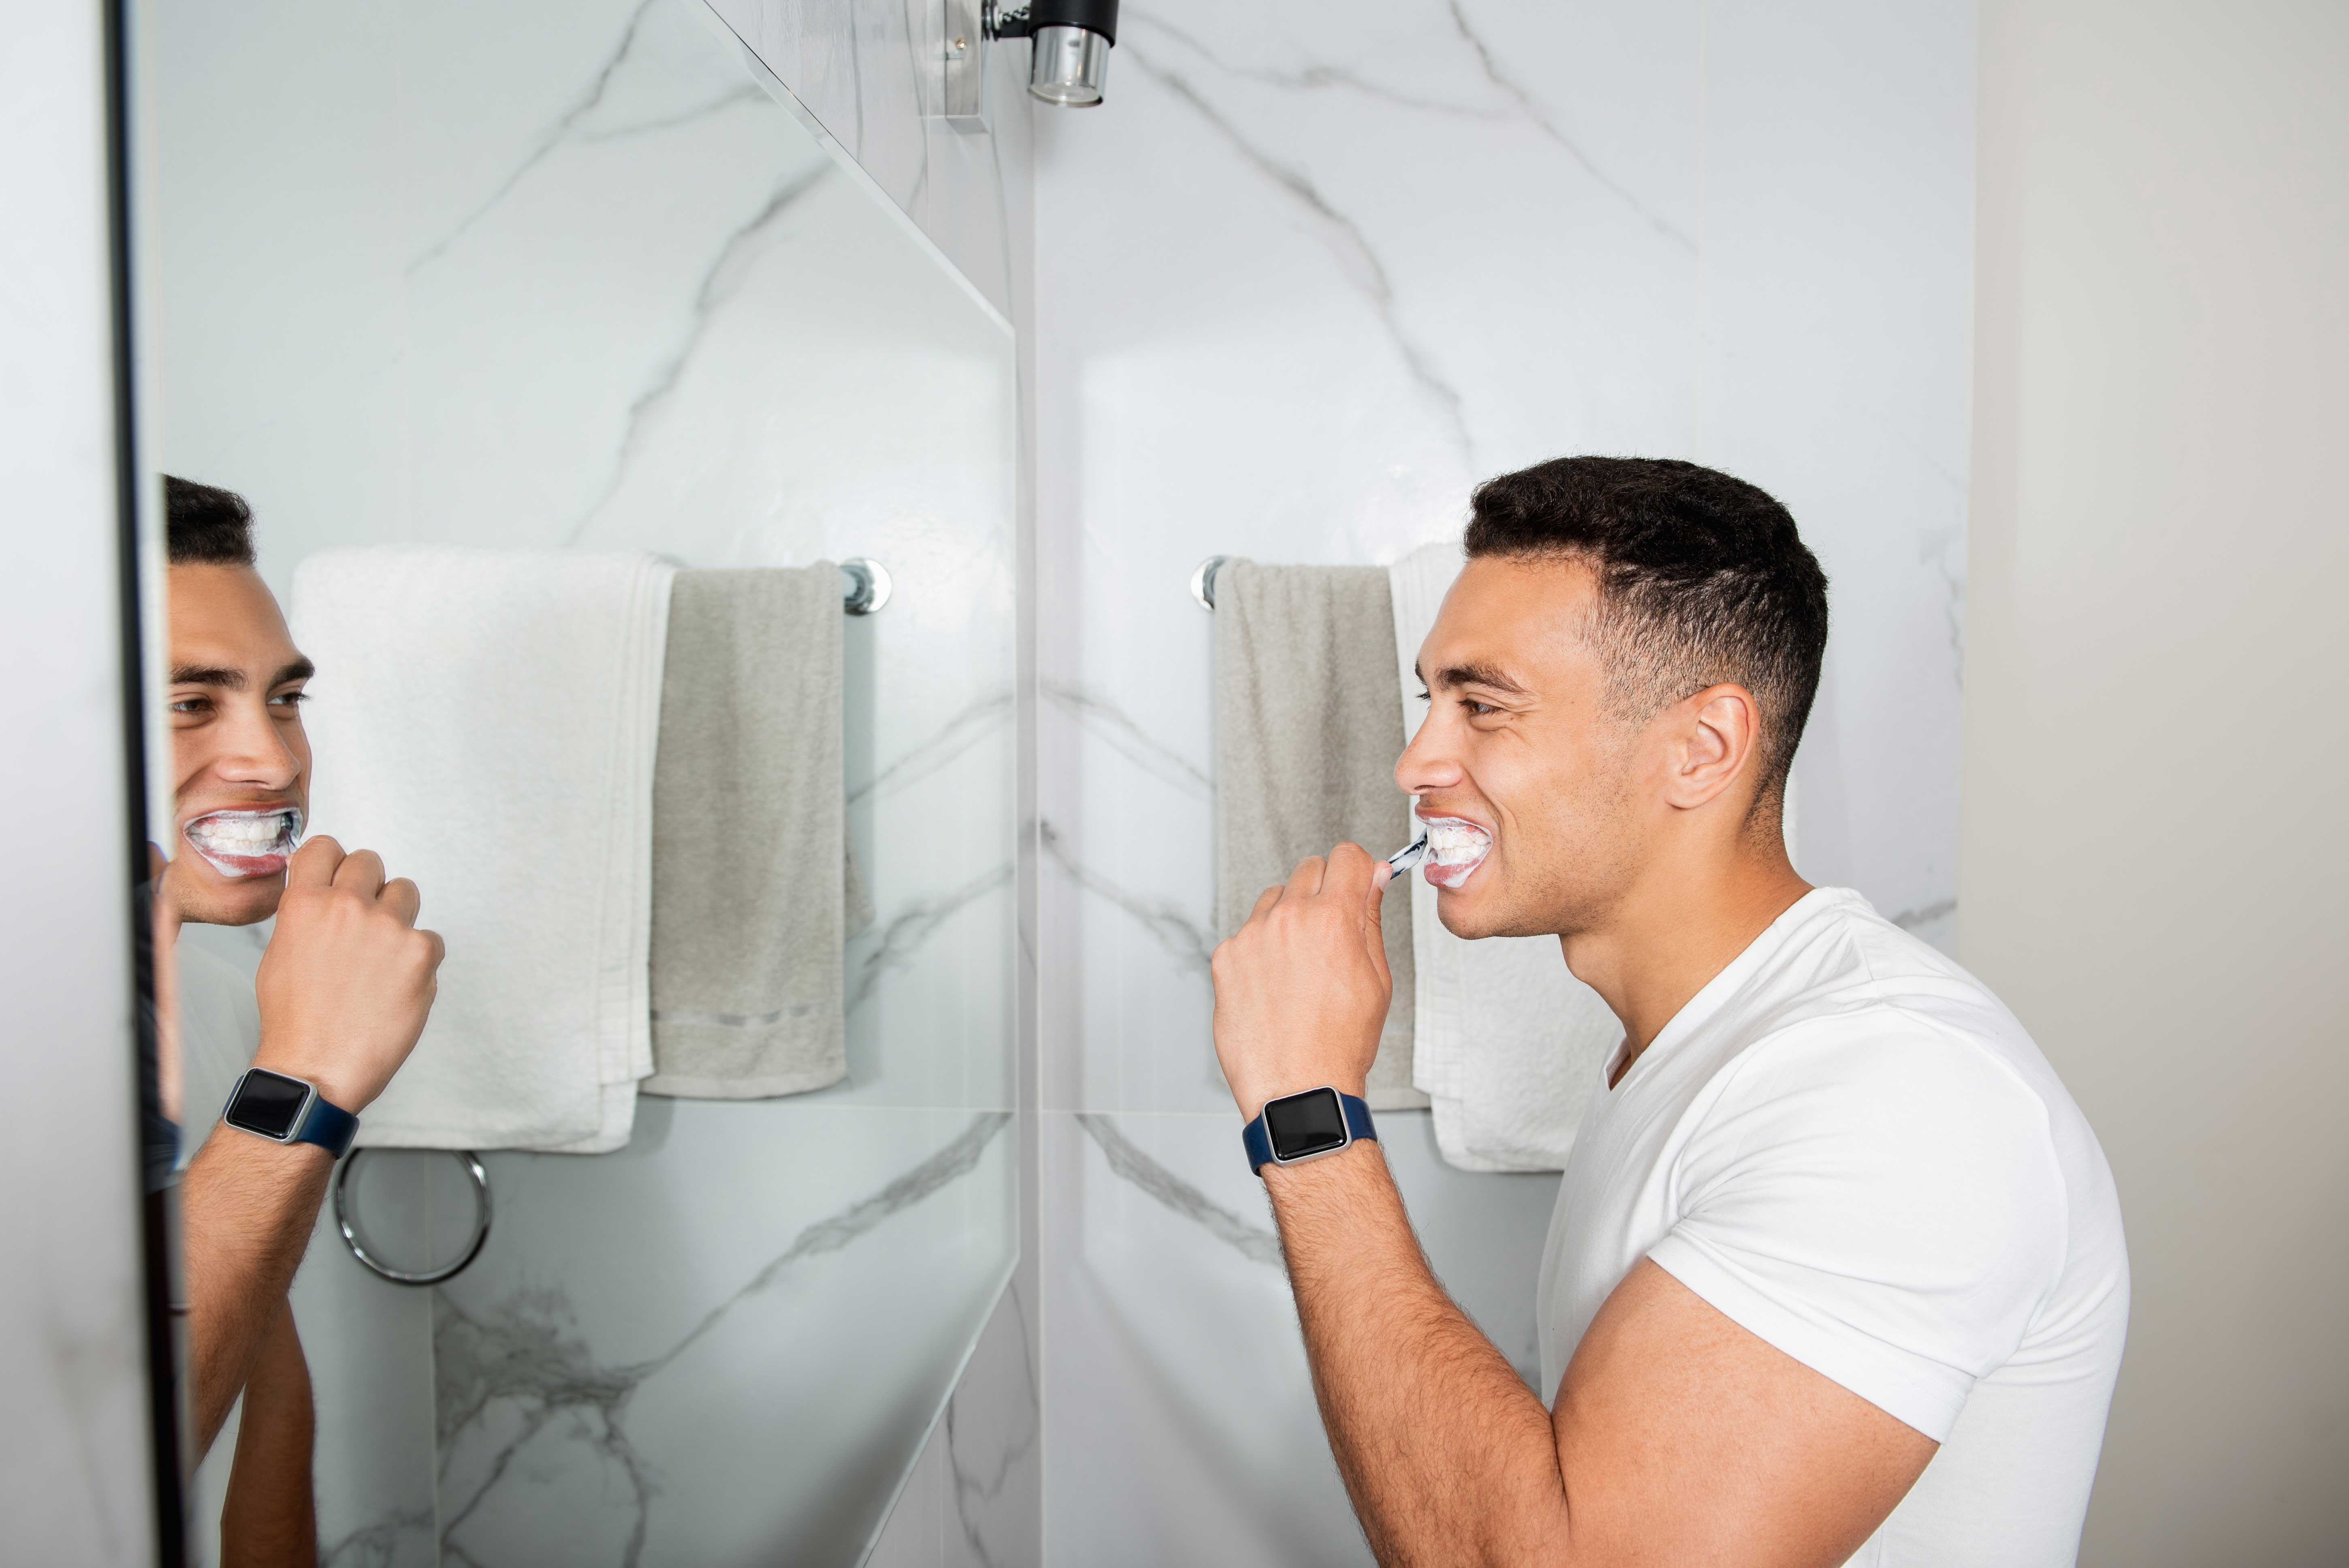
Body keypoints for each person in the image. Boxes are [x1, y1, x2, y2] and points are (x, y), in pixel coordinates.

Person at [1210, 457, 2129, 1567]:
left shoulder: (1900, 1096)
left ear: (1701, 752)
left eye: (1483, 706)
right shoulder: (1691, 1049)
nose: (1415, 760)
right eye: (1429, 700)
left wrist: (1309, 1112)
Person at [158, 477, 444, 1563]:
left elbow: (264, 1393)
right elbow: (92, 1461)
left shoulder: (235, 994)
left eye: (285, 699)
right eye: (193, 703)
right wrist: (309, 1077)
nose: (276, 763)